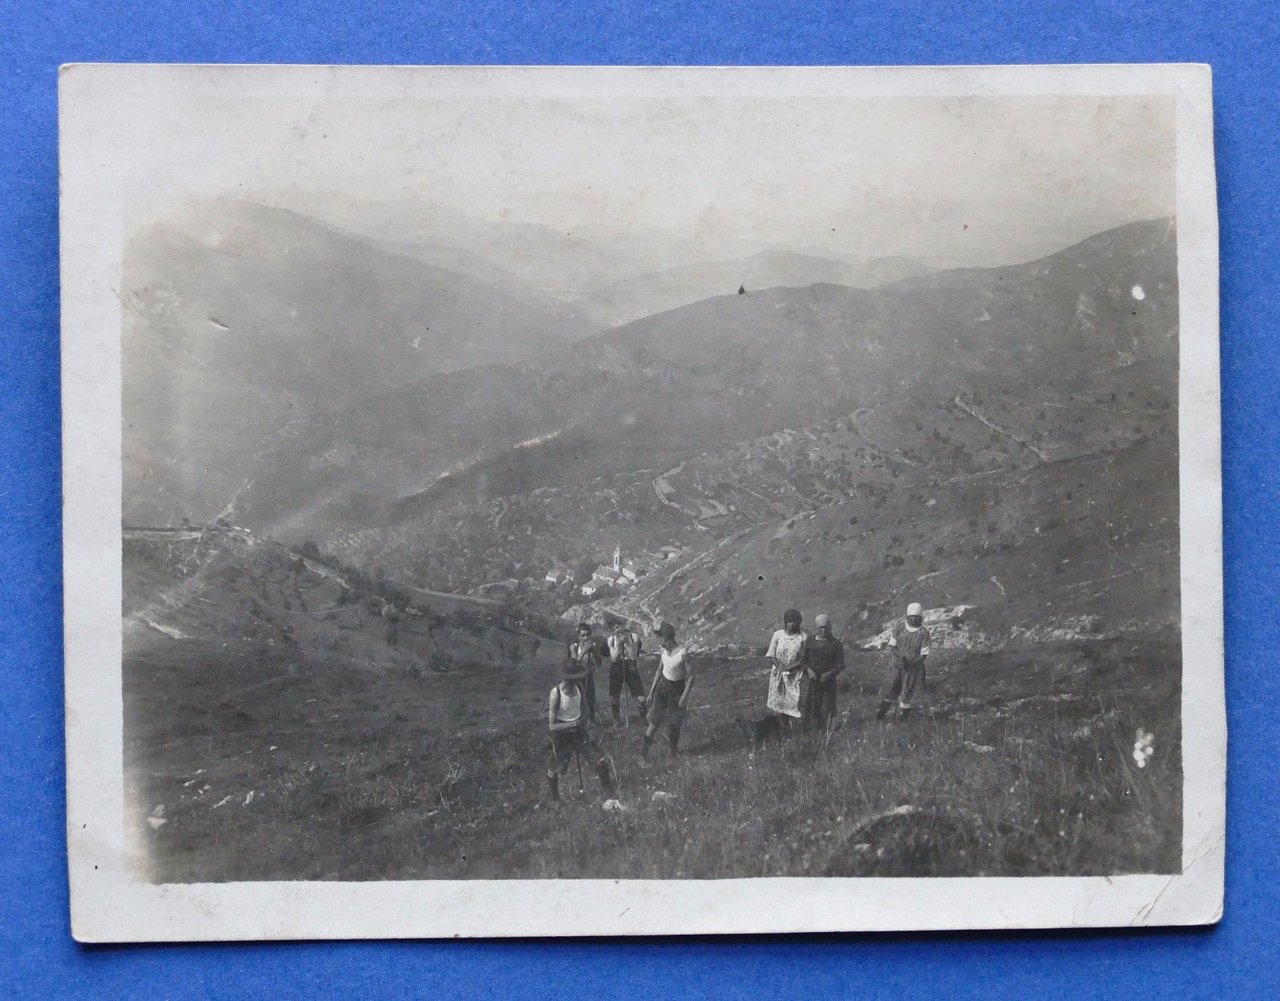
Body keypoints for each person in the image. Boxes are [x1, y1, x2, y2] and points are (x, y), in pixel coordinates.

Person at [546, 661, 617, 801]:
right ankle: (554, 798)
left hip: (579, 731)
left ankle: (609, 793)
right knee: (557, 768)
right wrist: (572, 723)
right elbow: (552, 726)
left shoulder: (579, 687)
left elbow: (586, 709)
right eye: (578, 676)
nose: (581, 678)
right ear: (569, 678)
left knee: (599, 760)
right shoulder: (556, 694)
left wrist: (582, 720)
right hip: (561, 735)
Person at [642, 622, 695, 762]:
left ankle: (673, 751)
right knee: (653, 722)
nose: (659, 641)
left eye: (660, 638)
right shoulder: (664, 652)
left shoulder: (683, 653)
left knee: (675, 724)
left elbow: (691, 677)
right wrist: (651, 693)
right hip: (661, 689)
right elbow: (659, 671)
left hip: (676, 692)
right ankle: (643, 755)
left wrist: (683, 697)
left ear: (666, 638)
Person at [877, 601, 932, 720]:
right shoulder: (900, 627)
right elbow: (892, 646)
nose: (914, 619)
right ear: (907, 617)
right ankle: (880, 716)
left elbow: (924, 654)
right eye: (912, 617)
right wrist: (900, 657)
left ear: (921, 618)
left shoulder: (924, 633)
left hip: (913, 668)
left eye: (917, 617)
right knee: (891, 689)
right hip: (897, 665)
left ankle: (903, 720)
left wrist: (911, 663)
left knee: (908, 692)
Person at [802, 613, 845, 731]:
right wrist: (808, 670)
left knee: (827, 707)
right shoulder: (810, 641)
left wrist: (829, 674)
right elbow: (802, 660)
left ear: (830, 627)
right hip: (813, 681)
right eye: (821, 627)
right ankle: (809, 733)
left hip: (828, 682)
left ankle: (826, 733)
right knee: (811, 706)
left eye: (826, 627)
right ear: (817, 628)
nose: (824, 630)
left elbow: (840, 664)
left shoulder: (836, 644)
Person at [765, 608, 807, 726]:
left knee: (792, 704)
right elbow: (771, 654)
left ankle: (793, 730)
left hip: (794, 674)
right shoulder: (778, 635)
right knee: (778, 704)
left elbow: (804, 658)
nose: (793, 624)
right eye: (791, 621)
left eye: (796, 621)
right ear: (786, 622)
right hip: (778, 674)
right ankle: (778, 728)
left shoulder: (802, 637)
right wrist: (780, 667)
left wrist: (790, 667)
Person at [606, 619, 647, 725]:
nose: (616, 630)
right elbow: (614, 658)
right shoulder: (610, 640)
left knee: (640, 695)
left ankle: (643, 719)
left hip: (630, 665)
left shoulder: (634, 637)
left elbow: (633, 655)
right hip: (616, 666)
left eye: (618, 626)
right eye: (614, 629)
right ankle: (616, 720)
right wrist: (619, 644)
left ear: (622, 625)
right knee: (615, 695)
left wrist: (627, 642)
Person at [567, 622, 603, 721]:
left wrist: (594, 651)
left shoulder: (592, 647)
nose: (586, 638)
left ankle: (592, 722)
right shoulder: (574, 647)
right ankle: (576, 723)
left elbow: (599, 663)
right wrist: (584, 651)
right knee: (577, 699)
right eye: (583, 635)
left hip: (588, 676)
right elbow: (575, 663)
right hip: (576, 677)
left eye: (588, 634)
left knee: (590, 699)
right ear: (579, 636)